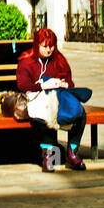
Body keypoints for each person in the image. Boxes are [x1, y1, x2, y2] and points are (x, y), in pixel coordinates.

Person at [17, 28, 90, 171]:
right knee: (46, 114)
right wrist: (43, 85)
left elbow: (69, 81)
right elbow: (23, 85)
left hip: (59, 97)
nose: (48, 50)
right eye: (44, 46)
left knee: (80, 113)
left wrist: (64, 84)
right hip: (37, 100)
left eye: (51, 46)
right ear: (37, 45)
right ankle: (49, 157)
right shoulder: (27, 62)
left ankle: (72, 154)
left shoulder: (59, 60)